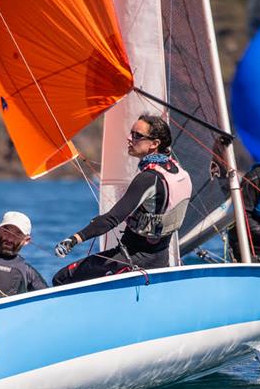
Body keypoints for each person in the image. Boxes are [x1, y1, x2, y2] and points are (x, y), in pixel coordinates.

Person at [52, 114, 192, 286]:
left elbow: (112, 219)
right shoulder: (179, 172)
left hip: (133, 259)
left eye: (137, 135)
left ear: (155, 144)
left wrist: (74, 239)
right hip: (160, 260)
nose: (129, 138)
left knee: (62, 278)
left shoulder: (148, 178)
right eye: (131, 133)